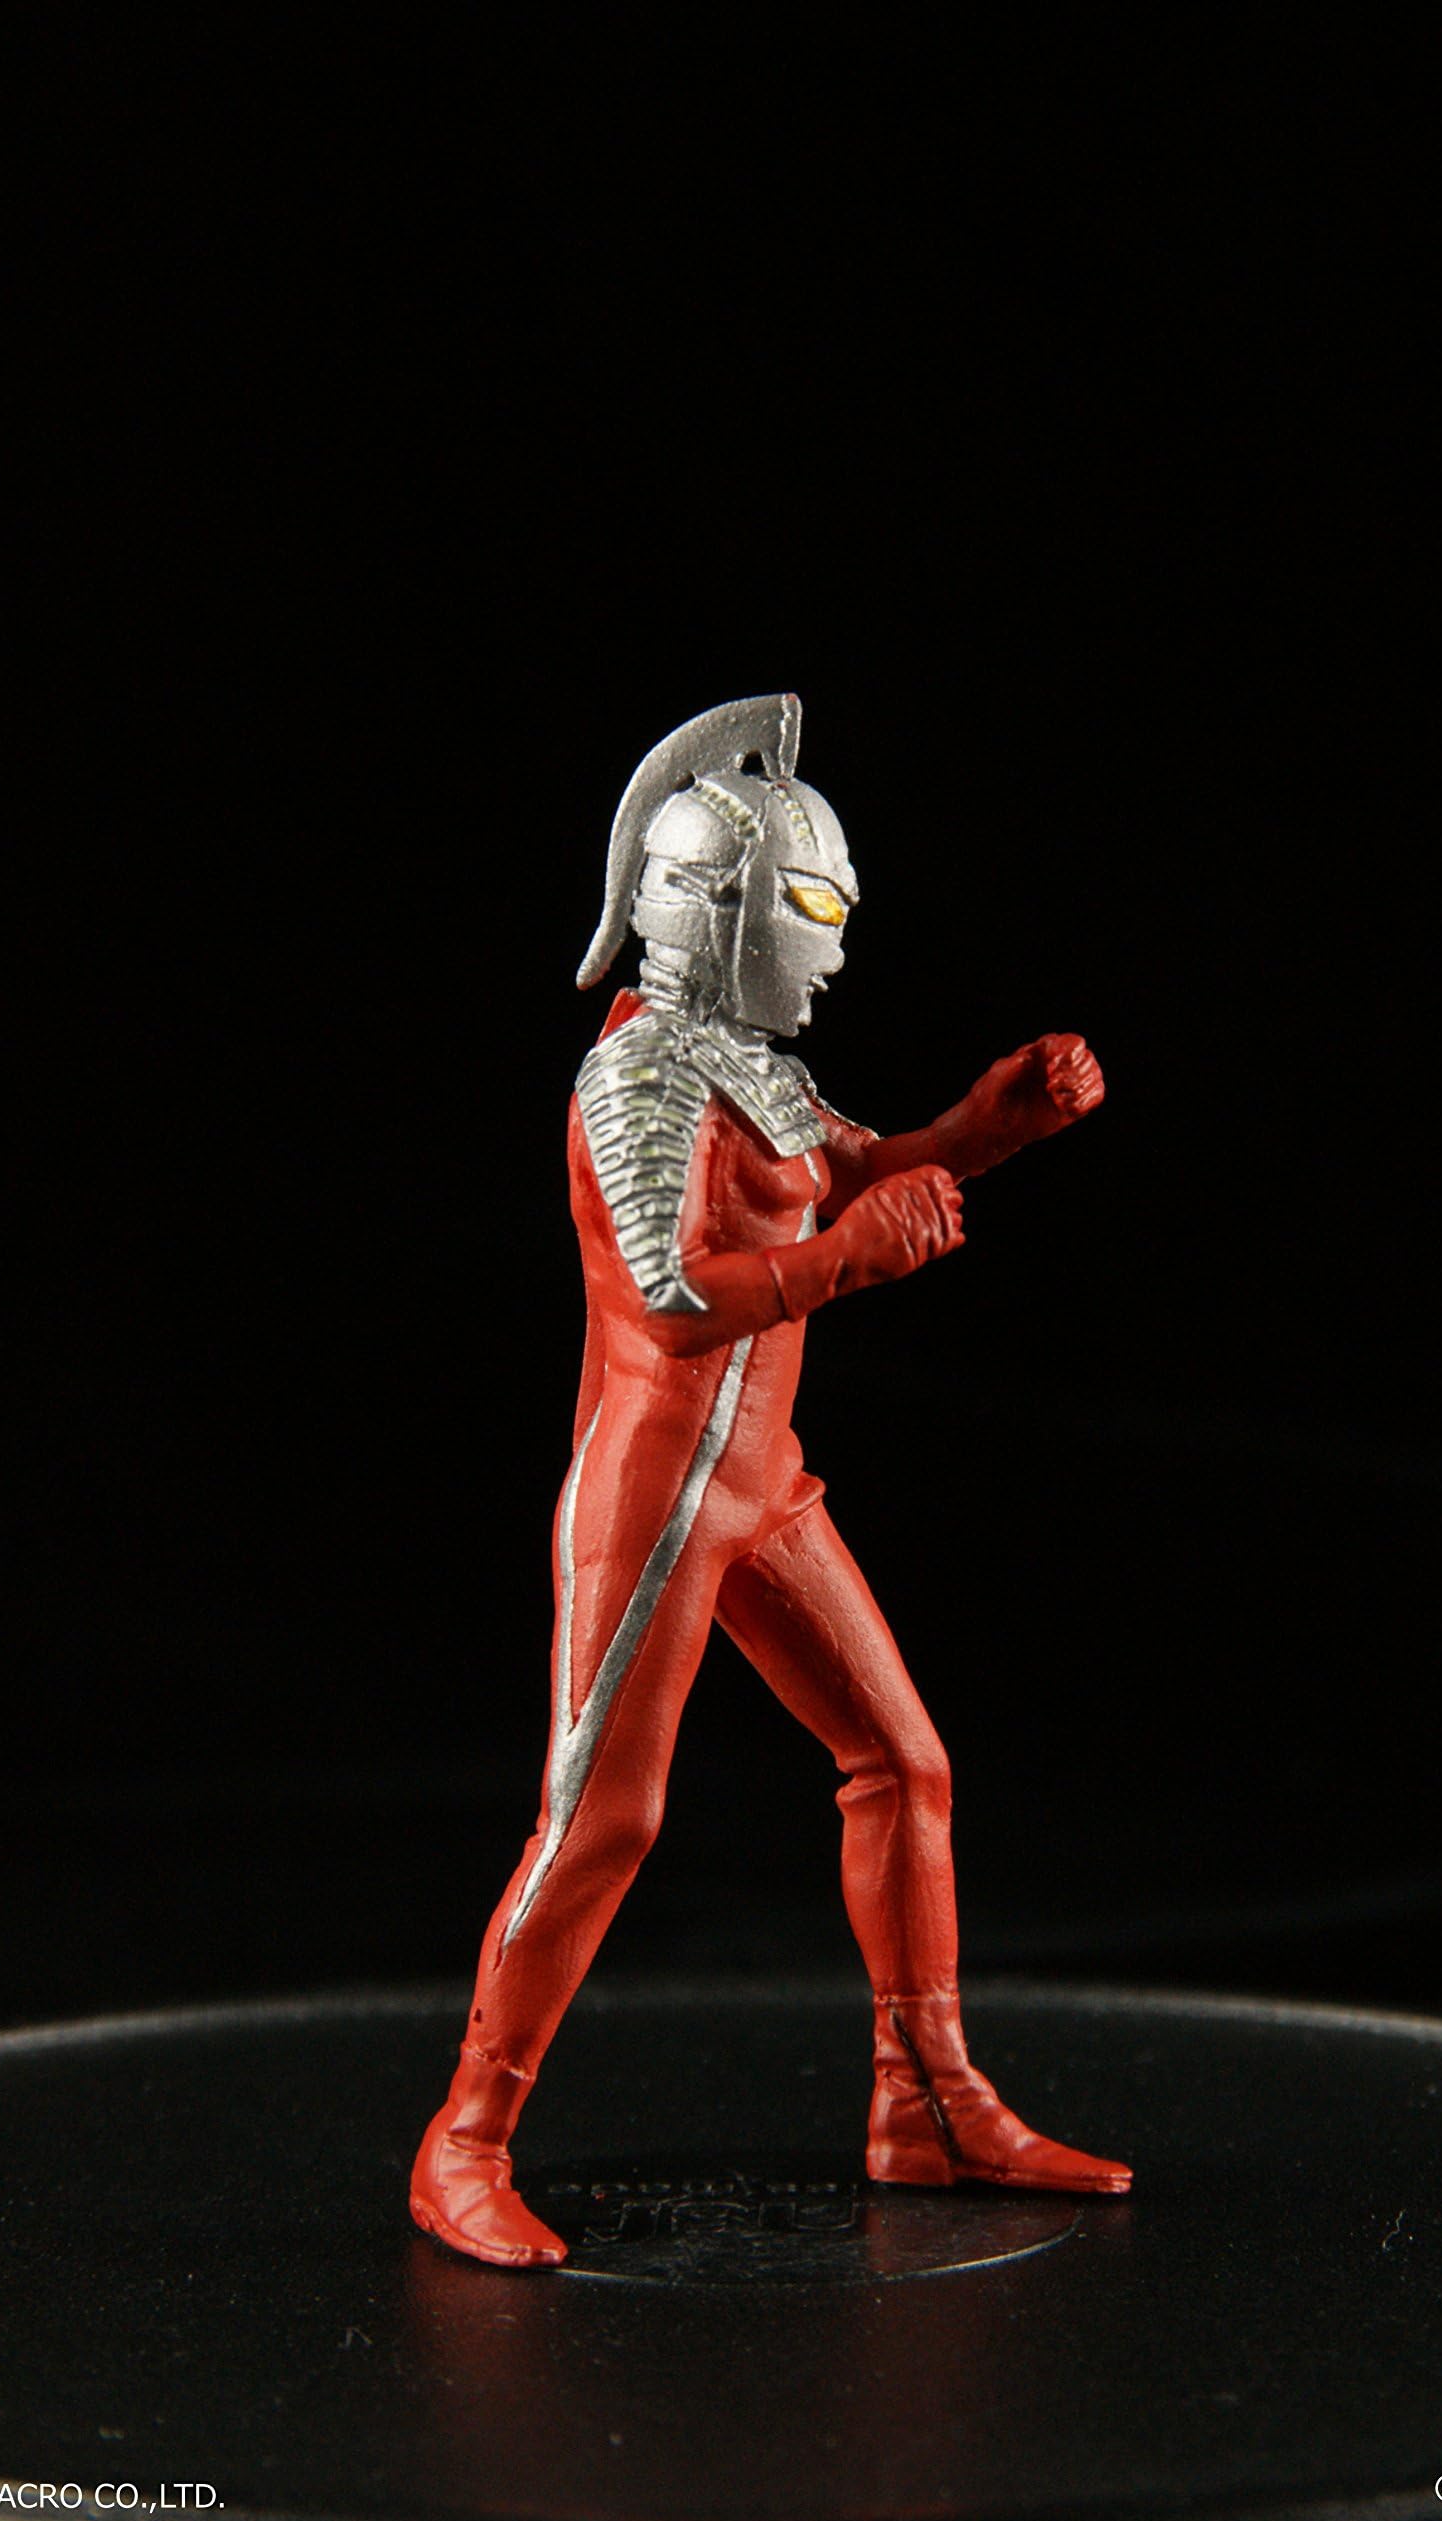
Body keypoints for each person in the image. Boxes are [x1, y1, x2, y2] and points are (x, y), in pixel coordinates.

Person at [410, 694, 1131, 2267]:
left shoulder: (747, 1065)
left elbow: (857, 1171)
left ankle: (926, 2102)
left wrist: (989, 1128)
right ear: (716, 910)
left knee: (905, 1763)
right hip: (659, 1496)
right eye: (813, 908)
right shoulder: (638, 1078)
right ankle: (463, 2139)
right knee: (604, 1820)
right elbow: (673, 1298)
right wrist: (848, 1262)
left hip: (764, 1487)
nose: (833, 951)